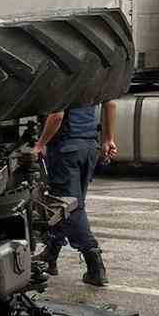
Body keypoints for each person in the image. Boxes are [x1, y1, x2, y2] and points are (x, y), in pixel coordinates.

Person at [32, 101, 118, 286]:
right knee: (70, 205)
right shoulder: (93, 75)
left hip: (67, 149)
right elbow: (110, 103)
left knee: (71, 207)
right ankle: (51, 254)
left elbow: (57, 115)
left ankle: (95, 265)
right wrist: (108, 139)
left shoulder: (64, 75)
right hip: (89, 147)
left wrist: (40, 144)